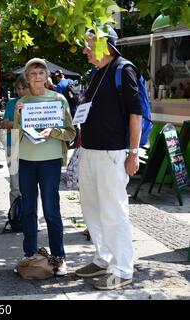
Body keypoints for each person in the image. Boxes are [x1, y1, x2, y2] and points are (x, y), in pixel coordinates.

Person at [75, 24, 142, 290]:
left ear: (105, 44)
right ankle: (102, 258)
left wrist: (133, 153)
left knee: (114, 212)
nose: (85, 50)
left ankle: (123, 268)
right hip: (89, 151)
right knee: (91, 209)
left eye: (90, 45)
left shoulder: (123, 69)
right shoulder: (96, 73)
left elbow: (135, 114)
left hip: (112, 153)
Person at [13, 58, 75, 276]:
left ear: (47, 76)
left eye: (40, 72)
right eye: (32, 73)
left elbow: (71, 132)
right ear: (27, 79)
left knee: (51, 209)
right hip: (27, 161)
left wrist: (53, 132)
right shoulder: (22, 102)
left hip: (50, 161)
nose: (37, 77)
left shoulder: (58, 100)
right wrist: (18, 117)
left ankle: (59, 257)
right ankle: (30, 255)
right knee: (29, 210)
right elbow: (16, 135)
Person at [3, 74, 29, 207]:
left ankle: (30, 217)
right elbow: (6, 124)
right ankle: (15, 217)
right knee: (15, 185)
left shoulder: (33, 103)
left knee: (29, 185)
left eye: (23, 88)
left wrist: (15, 124)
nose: (20, 91)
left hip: (29, 146)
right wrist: (23, 123)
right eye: (18, 88)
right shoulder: (12, 103)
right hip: (12, 143)